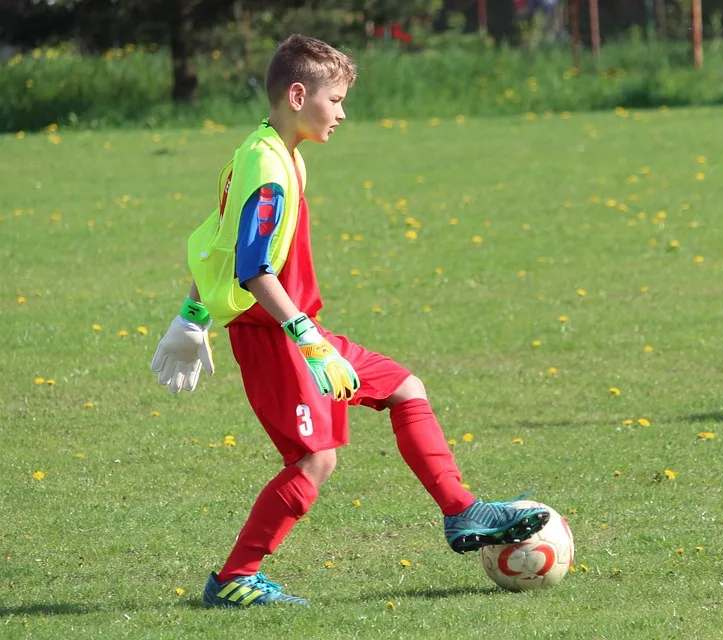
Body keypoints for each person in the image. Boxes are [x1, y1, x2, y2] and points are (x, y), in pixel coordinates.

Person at [149, 34, 550, 608]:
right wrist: (304, 339)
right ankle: (235, 578)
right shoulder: (267, 167)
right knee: (315, 460)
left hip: (298, 330)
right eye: (334, 99)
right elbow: (250, 268)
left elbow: (216, 239)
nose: (342, 112)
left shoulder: (273, 152)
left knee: (405, 387)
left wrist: (192, 316)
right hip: (277, 336)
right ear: (296, 95)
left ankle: (462, 512)